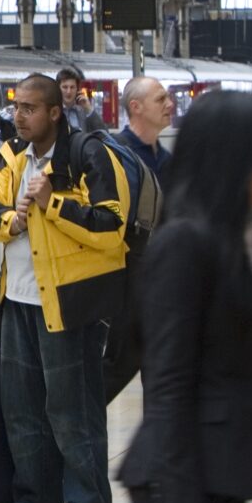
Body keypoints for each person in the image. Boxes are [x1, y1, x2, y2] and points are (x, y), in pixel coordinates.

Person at [118, 91, 252, 503]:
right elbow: (168, 384)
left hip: (213, 471)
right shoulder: (185, 244)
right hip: (187, 478)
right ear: (236, 156)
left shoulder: (238, 236)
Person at [0, 73, 129, 503]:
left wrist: (53, 204)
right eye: (16, 106)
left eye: (30, 108)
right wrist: (13, 222)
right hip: (17, 300)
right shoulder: (9, 156)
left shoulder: (89, 154)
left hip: (68, 301)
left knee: (72, 407)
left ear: (55, 113)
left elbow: (110, 225)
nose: (19, 115)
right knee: (21, 408)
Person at [104, 76, 176, 405]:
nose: (170, 104)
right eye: (161, 99)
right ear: (136, 107)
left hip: (162, 283)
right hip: (127, 283)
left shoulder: (168, 161)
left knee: (160, 376)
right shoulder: (113, 157)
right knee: (115, 367)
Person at [57, 67, 108, 134]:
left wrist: (89, 109)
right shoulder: (53, 111)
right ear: (58, 88)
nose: (68, 91)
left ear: (77, 90)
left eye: (72, 87)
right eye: (65, 87)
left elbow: (104, 134)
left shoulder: (83, 112)